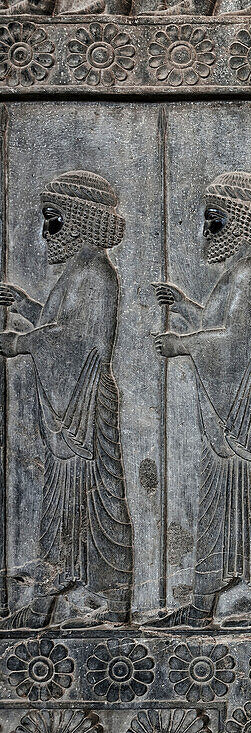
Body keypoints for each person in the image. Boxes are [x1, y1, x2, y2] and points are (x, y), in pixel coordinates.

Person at [149, 172, 251, 628]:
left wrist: (184, 344)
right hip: (225, 407)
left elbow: (234, 341)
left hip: (244, 408)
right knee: (216, 503)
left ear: (240, 221)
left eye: (214, 220)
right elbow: (217, 324)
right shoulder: (237, 273)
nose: (205, 231)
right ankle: (205, 601)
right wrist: (188, 306)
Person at [0, 171, 133, 629]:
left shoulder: (95, 273)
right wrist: (26, 308)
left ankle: (105, 600)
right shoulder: (78, 273)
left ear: (79, 221)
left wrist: (20, 343)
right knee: (64, 501)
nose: (43, 233)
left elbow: (73, 339)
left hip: (84, 407)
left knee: (93, 502)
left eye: (52, 221)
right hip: (69, 409)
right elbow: (59, 326)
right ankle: (51, 603)